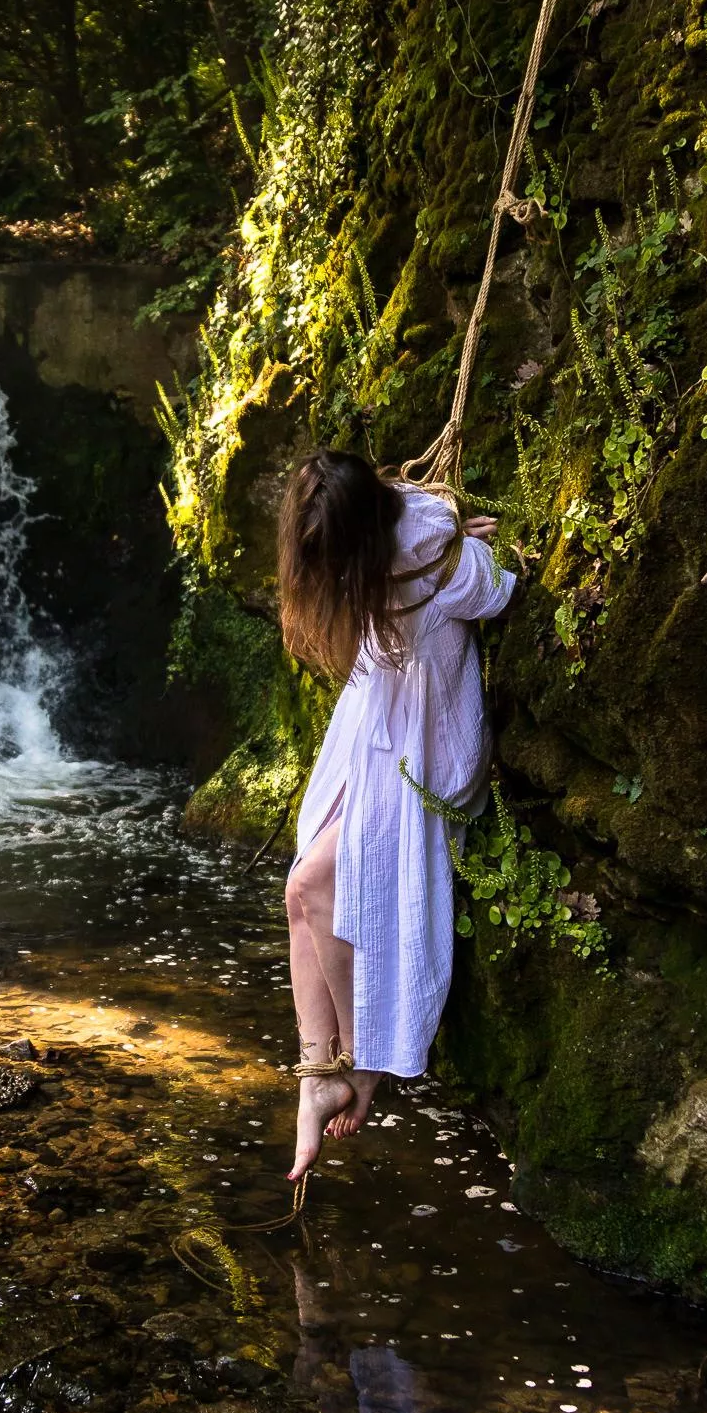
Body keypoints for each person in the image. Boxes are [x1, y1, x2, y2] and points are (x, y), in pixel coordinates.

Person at [277, 448, 516, 1181]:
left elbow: (498, 592)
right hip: (378, 715)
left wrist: (472, 557)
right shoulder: (397, 522)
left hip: (425, 744)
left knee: (316, 886)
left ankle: (362, 1062)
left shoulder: (431, 557)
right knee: (299, 891)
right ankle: (317, 1076)